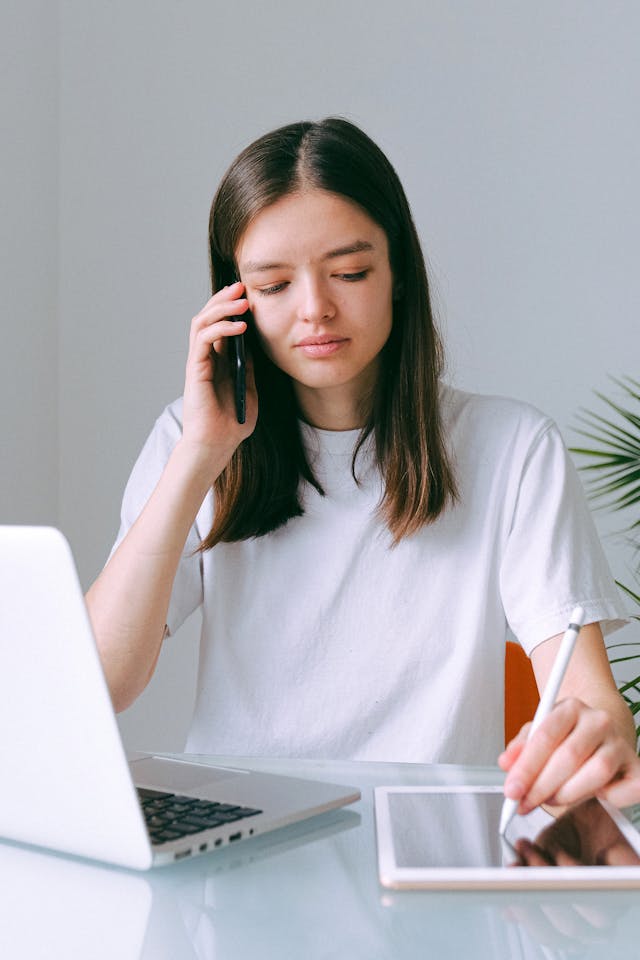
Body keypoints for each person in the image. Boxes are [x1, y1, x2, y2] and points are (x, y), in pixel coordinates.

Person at [86, 117, 640, 816]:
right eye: (275, 284)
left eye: (349, 272)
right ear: (236, 301)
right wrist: (200, 455)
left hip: (422, 844)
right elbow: (98, 685)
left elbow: (589, 699)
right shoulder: (190, 441)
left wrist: (596, 737)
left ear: (398, 273)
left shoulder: (512, 449)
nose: (316, 310)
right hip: (237, 847)